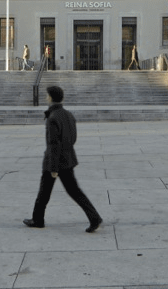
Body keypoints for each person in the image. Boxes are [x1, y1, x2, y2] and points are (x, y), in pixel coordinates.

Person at [23, 85, 103, 233]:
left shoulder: (53, 118)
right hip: (68, 158)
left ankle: (38, 220)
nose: (46, 98)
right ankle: (38, 219)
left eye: (47, 95)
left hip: (55, 162)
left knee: (45, 191)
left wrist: (53, 168)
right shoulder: (68, 114)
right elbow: (72, 138)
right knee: (72, 191)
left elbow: (53, 144)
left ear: (50, 98)